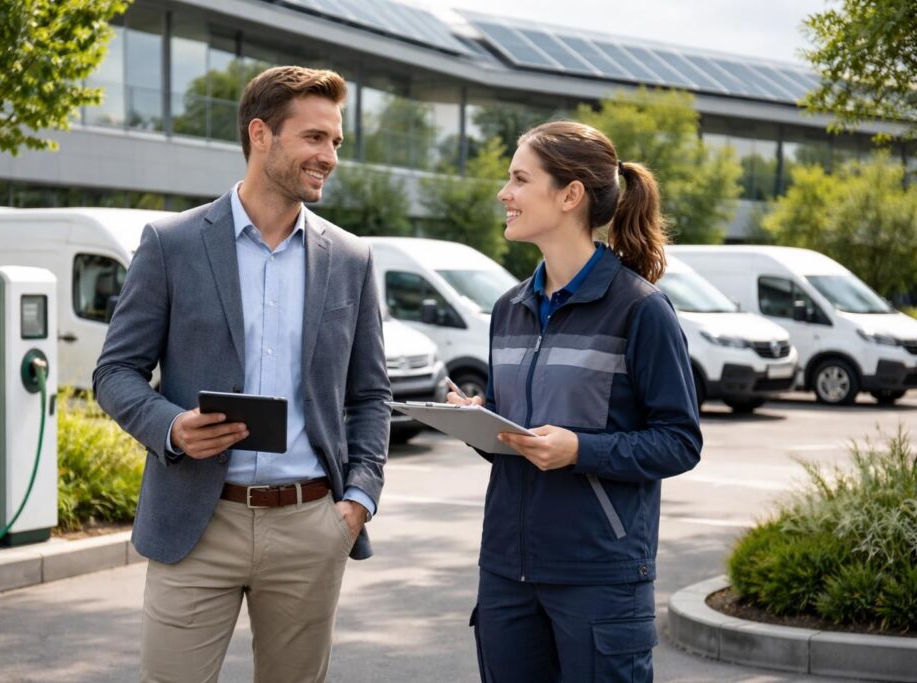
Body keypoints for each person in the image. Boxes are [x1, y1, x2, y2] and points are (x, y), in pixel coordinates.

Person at [93, 65, 391, 683]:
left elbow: (370, 394)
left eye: (336, 141)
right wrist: (172, 426)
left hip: (311, 523)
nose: (329, 156)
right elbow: (116, 371)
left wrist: (359, 499)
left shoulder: (351, 258)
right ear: (261, 134)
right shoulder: (171, 242)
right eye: (314, 138)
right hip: (196, 522)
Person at [447, 121, 702, 681]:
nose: (503, 193)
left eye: (518, 178)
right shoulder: (508, 309)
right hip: (506, 572)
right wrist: (483, 427)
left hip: (599, 578)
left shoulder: (640, 310)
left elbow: (680, 442)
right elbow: (522, 440)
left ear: (570, 195)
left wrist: (579, 450)